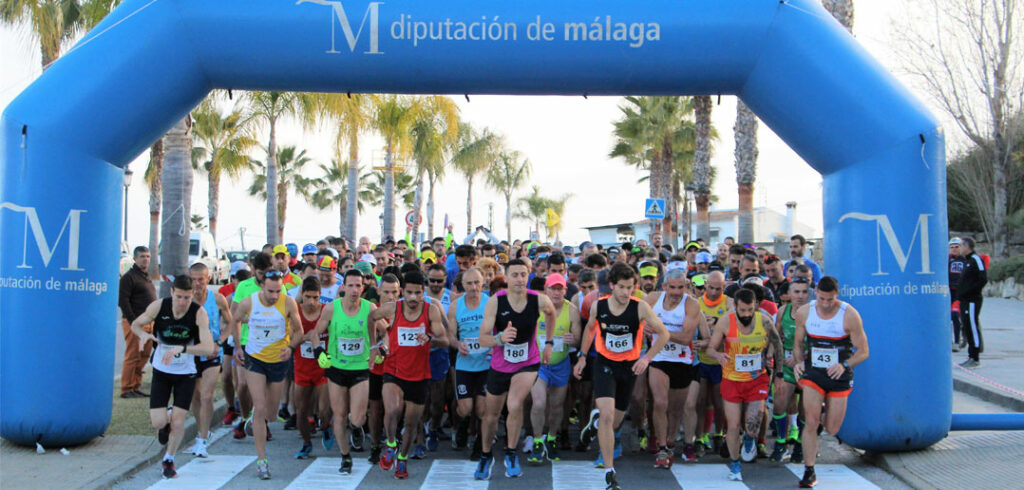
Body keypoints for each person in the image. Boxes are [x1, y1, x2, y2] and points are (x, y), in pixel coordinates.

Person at [573, 262, 670, 490]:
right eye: (622, 287)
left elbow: (664, 334)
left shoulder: (640, 307)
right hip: (605, 364)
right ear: (612, 287)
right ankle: (609, 471)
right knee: (607, 416)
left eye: (630, 287)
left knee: (614, 422)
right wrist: (583, 357)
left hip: (629, 367)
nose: (626, 292)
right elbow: (589, 330)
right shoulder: (599, 306)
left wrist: (646, 359)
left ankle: (595, 423)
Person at [475, 259, 558, 480]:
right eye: (515, 275)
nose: (520, 279)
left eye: (523, 274)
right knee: (490, 415)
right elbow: (483, 339)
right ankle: (485, 455)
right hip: (500, 364)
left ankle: (511, 453)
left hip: (528, 362)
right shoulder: (495, 302)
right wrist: (500, 338)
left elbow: (551, 313)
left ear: (528, 276)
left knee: (514, 404)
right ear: (507, 278)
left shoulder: (538, 300)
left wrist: (548, 343)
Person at [130, 275, 217, 479]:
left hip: (185, 373)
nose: (183, 302)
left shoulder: (198, 313)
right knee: (158, 423)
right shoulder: (159, 307)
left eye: (187, 297)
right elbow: (135, 324)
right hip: (162, 370)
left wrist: (183, 348)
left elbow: (208, 347)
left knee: (179, 422)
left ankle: (169, 459)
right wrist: (142, 334)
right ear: (172, 293)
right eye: (179, 297)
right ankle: (166, 416)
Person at [367, 271, 449, 479]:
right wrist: (373, 346)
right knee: (392, 409)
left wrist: (430, 338)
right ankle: (391, 443)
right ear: (403, 292)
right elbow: (371, 316)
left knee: (412, 423)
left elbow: (445, 340)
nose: (413, 298)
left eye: (418, 293)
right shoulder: (393, 308)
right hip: (393, 370)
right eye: (409, 293)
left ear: (424, 293)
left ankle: (402, 459)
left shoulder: (431, 311)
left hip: (419, 375)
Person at [793, 276, 869, 487]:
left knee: (833, 428)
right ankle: (809, 471)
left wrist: (844, 365)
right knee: (810, 421)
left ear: (837, 295)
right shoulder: (805, 312)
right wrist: (799, 362)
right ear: (816, 293)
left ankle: (823, 415)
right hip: (814, 373)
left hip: (838, 375)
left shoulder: (849, 315)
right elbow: (798, 344)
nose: (826, 304)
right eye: (823, 299)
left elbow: (864, 352)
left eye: (831, 300)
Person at [231, 269, 305, 480]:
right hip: (255, 358)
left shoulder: (288, 302)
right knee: (261, 407)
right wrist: (238, 347)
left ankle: (257, 419)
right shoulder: (249, 302)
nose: (274, 295)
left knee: (271, 415)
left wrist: (290, 348)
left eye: (278, 291)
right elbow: (235, 320)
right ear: (262, 287)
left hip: (278, 360)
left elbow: (299, 331)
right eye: (270, 291)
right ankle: (262, 461)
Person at [706, 287, 784, 482]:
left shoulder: (764, 321)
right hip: (732, 380)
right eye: (743, 311)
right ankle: (735, 464)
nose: (747, 315)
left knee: (751, 426)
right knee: (733, 426)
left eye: (750, 310)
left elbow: (778, 343)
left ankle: (750, 439)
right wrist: (718, 355)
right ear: (735, 307)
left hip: (756, 379)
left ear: (755, 307)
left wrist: (778, 369)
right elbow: (710, 349)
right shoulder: (726, 322)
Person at [311, 269, 377, 475]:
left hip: (360, 368)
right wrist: (318, 352)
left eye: (358, 286)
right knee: (338, 415)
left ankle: (356, 428)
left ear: (363, 288)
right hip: (337, 368)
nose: (355, 290)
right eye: (351, 285)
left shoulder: (370, 308)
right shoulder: (332, 308)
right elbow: (315, 333)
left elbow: (386, 329)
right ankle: (345, 457)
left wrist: (379, 349)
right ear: (343, 287)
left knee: (357, 418)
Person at [645, 268, 704, 467]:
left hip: (682, 360)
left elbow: (687, 337)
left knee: (676, 409)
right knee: (660, 403)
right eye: (672, 287)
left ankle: (669, 441)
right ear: (664, 286)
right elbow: (637, 319)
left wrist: (659, 331)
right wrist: (644, 327)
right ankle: (662, 448)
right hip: (658, 357)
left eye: (681, 287)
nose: (677, 292)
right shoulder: (653, 299)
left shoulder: (692, 305)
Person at [527, 273, 581, 464]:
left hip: (561, 364)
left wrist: (572, 339)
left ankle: (551, 438)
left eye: (560, 289)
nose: (557, 293)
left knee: (557, 406)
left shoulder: (572, 310)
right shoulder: (536, 307)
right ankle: (537, 441)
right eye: (553, 289)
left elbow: (578, 338)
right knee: (539, 403)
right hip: (539, 364)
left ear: (565, 290)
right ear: (546, 290)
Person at [187, 263, 233, 458]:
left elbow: (232, 323)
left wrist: (220, 342)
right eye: (193, 279)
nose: (197, 283)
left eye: (200, 279)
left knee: (206, 395)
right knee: (195, 397)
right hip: (191, 353)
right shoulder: (184, 300)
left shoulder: (218, 299)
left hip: (212, 353)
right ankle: (201, 430)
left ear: (208, 278)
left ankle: (203, 439)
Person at [449, 268, 491, 461]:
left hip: (486, 364)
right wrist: (458, 344)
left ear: (483, 283)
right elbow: (449, 335)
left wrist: (494, 345)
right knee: (465, 408)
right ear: (463, 286)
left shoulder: (490, 303)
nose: (473, 288)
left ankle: (479, 445)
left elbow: (500, 330)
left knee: (482, 410)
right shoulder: (456, 306)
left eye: (477, 283)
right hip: (464, 364)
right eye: (469, 284)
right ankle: (463, 426)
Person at [769, 276, 811, 463]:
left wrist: (801, 357)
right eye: (796, 292)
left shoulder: (814, 313)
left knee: (805, 411)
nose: (800, 296)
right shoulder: (783, 311)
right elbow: (776, 339)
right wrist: (774, 361)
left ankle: (800, 446)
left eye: (804, 292)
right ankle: (780, 443)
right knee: (779, 404)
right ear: (789, 294)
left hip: (808, 367)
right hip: (787, 367)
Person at [291, 277, 330, 460]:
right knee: (301, 410)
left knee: (324, 409)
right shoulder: (296, 313)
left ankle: (325, 426)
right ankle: (306, 443)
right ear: (302, 296)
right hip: (302, 369)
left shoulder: (326, 312)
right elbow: (290, 339)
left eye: (315, 297)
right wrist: (304, 337)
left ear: (320, 296)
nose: (312, 302)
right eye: (308, 297)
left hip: (323, 368)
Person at [695, 271, 732, 456]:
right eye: (710, 287)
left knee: (719, 402)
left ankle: (718, 434)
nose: (714, 292)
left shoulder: (728, 303)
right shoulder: (696, 303)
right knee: (700, 401)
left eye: (718, 288)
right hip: (701, 359)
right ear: (705, 285)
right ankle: (700, 437)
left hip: (720, 360)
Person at [367, 273, 401, 463]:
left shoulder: (404, 311)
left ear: (399, 292)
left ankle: (393, 441)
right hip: (376, 368)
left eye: (394, 292)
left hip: (397, 368)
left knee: (393, 409)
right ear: (379, 291)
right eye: (386, 291)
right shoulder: (373, 311)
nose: (390, 296)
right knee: (375, 408)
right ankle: (374, 444)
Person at [119, 246, 157, 398]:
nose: (145, 259)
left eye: (147, 256)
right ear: (135, 259)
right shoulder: (129, 277)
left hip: (149, 323)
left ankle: (136, 386)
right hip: (135, 324)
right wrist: (133, 321)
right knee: (133, 355)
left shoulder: (145, 276)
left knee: (143, 356)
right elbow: (123, 300)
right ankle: (127, 388)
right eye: (142, 256)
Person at [957, 237, 987, 367]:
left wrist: (971, 292)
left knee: (972, 326)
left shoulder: (976, 259)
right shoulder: (967, 261)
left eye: (961, 245)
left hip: (972, 300)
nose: (959, 248)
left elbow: (983, 278)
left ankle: (975, 357)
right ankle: (971, 355)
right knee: (967, 327)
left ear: (967, 246)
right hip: (964, 300)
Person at [948, 238, 966, 352]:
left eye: (957, 246)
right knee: (949, 316)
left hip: (961, 293)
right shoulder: (947, 260)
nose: (954, 249)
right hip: (949, 291)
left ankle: (957, 341)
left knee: (955, 315)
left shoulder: (965, 260)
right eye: (952, 247)